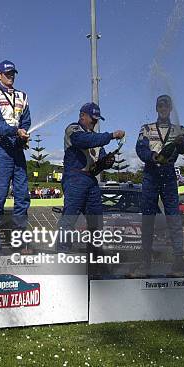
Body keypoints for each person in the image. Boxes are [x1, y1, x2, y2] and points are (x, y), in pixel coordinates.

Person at [57, 103, 125, 256]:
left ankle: (95, 253)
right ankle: (62, 252)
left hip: (91, 179)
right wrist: (111, 135)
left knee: (96, 220)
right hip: (74, 177)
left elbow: (100, 161)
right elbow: (82, 141)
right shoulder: (73, 129)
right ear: (82, 116)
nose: (95, 122)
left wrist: (107, 161)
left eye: (96, 120)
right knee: (69, 218)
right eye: (92, 119)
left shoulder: (96, 138)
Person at [134, 94, 184, 277]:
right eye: (160, 106)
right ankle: (145, 262)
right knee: (148, 218)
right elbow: (140, 149)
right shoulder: (146, 129)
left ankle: (179, 261)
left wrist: (183, 143)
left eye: (166, 106)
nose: (163, 109)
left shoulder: (179, 129)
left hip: (168, 174)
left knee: (173, 216)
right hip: (151, 173)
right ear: (156, 108)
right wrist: (152, 156)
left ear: (171, 108)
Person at [0, 60, 31, 250]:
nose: (11, 76)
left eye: (13, 73)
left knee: (22, 194)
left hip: (16, 148)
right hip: (0, 146)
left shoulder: (22, 96)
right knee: (0, 193)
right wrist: (15, 131)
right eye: (7, 73)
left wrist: (23, 135)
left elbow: (26, 121)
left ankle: (19, 234)